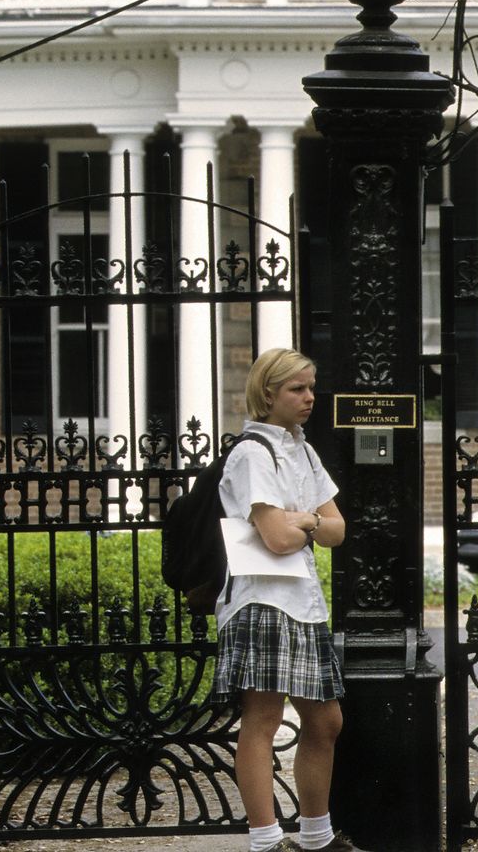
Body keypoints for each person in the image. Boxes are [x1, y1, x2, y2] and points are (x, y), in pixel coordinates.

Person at [211, 348, 361, 852]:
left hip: (303, 602)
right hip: (261, 601)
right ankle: (266, 841)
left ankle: (317, 839)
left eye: (311, 387)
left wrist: (305, 521)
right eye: (298, 388)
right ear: (268, 392)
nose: (309, 397)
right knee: (264, 718)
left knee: (325, 720)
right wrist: (305, 523)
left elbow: (337, 530)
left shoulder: (304, 451)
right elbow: (275, 538)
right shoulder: (252, 453)